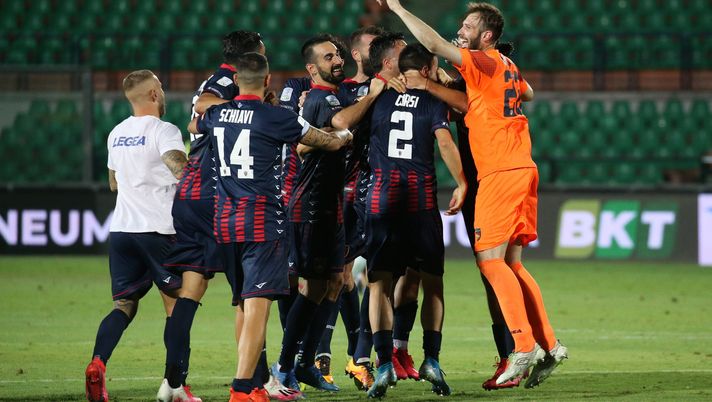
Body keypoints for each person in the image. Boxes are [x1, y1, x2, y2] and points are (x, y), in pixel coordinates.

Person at [378, 0, 568, 388]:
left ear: (487, 36)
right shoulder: (504, 66)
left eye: (468, 26)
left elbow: (431, 41)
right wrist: (437, 84)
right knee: (512, 265)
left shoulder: (481, 61)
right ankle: (550, 344)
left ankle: (522, 346)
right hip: (522, 167)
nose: (461, 31)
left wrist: (397, 8)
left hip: (498, 171)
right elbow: (521, 94)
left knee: (489, 262)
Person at [188, 52, 353, 402]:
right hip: (262, 223)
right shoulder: (276, 117)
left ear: (235, 82)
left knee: (243, 306)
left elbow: (194, 124)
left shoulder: (216, 113)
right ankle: (243, 388)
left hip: (225, 223)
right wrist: (344, 135)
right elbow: (325, 141)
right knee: (258, 307)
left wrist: (222, 107)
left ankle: (254, 383)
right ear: (267, 81)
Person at [159, 30, 301, 402]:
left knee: (197, 290)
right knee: (256, 292)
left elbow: (196, 120)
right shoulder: (226, 84)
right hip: (222, 195)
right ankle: (254, 383)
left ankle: (174, 381)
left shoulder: (216, 84)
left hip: (194, 195)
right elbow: (206, 107)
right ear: (255, 60)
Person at [400, 46, 523, 390]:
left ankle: (515, 355)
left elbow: (466, 103)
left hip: (490, 184)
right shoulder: (480, 83)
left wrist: (430, 84)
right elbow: (525, 91)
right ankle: (516, 353)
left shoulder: (482, 89)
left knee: (496, 271)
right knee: (500, 271)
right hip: (493, 182)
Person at [273, 34, 385, 394]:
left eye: (337, 55)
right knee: (313, 287)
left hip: (330, 205)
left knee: (335, 283)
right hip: (311, 207)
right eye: (328, 57)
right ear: (312, 68)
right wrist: (372, 94)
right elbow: (340, 120)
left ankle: (301, 362)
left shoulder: (330, 95)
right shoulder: (321, 98)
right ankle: (288, 364)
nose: (336, 60)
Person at [363, 43, 467, 398]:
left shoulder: (376, 96)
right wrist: (462, 183)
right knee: (432, 282)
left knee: (379, 284)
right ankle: (432, 360)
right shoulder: (433, 100)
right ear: (426, 69)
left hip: (380, 202)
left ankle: (382, 364)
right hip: (420, 203)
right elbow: (445, 143)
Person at [84, 70, 188, 402]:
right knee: (176, 307)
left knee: (124, 304)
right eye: (162, 89)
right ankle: (174, 387)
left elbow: (114, 183)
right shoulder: (165, 130)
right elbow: (182, 173)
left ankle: (98, 362)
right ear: (155, 94)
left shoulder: (116, 133)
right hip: (159, 230)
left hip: (123, 229)